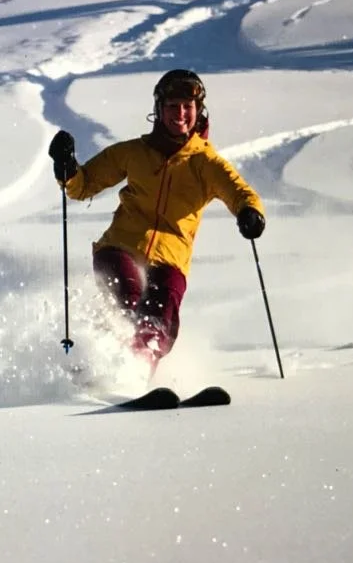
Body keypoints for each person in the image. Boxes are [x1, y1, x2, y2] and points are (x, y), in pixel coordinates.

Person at [49, 69, 266, 373]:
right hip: (120, 248)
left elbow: (239, 192)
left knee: (158, 315)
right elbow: (83, 185)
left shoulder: (206, 163)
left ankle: (136, 372)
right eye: (173, 106)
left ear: (198, 111)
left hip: (171, 262)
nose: (180, 114)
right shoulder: (134, 153)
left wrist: (249, 212)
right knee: (128, 300)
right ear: (159, 110)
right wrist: (66, 167)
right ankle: (109, 368)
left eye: (188, 107)